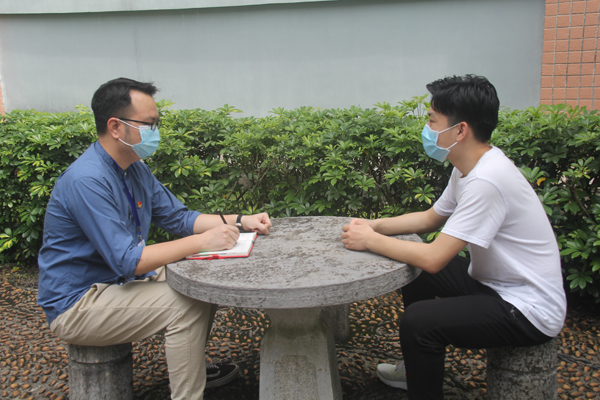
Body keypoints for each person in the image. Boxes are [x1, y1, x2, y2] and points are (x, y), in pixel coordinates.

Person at [37, 77, 272, 400]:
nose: (155, 132)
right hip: (77, 302)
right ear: (116, 127)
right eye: (149, 124)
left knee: (203, 279)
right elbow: (128, 260)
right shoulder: (87, 180)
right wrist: (204, 242)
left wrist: (242, 220)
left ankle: (192, 367)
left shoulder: (134, 168)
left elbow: (179, 218)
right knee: (186, 303)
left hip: (115, 281)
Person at [340, 74, 566, 400]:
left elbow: (434, 258)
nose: (427, 128)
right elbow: (430, 218)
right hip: (495, 283)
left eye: (433, 120)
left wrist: (369, 241)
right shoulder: (468, 167)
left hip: (527, 308)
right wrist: (373, 226)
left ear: (460, 130)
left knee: (418, 322)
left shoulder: (487, 180)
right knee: (413, 270)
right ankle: (416, 368)